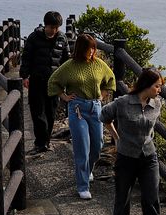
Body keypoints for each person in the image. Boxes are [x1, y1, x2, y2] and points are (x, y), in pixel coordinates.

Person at [101, 67, 166, 215]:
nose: (159, 90)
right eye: (157, 86)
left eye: (160, 86)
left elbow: (151, 128)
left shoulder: (157, 104)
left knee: (151, 198)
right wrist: (116, 137)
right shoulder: (123, 102)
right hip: (126, 156)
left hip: (148, 156)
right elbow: (104, 116)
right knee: (123, 194)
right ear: (146, 85)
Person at [47, 33, 115, 200]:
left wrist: (103, 94)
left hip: (95, 108)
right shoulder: (69, 66)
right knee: (82, 147)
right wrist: (64, 97)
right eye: (88, 48)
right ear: (80, 49)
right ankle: (82, 185)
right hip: (77, 109)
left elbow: (110, 80)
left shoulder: (99, 64)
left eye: (93, 48)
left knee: (98, 144)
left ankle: (88, 169)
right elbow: (53, 82)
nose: (91, 51)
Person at [20, 11, 68, 153]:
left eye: (56, 27)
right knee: (38, 112)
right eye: (51, 27)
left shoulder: (62, 39)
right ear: (45, 25)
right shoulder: (34, 38)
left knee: (51, 112)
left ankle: (45, 142)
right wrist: (25, 76)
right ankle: (40, 143)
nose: (53, 30)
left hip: (54, 83)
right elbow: (26, 58)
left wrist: (67, 81)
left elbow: (66, 61)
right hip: (37, 80)